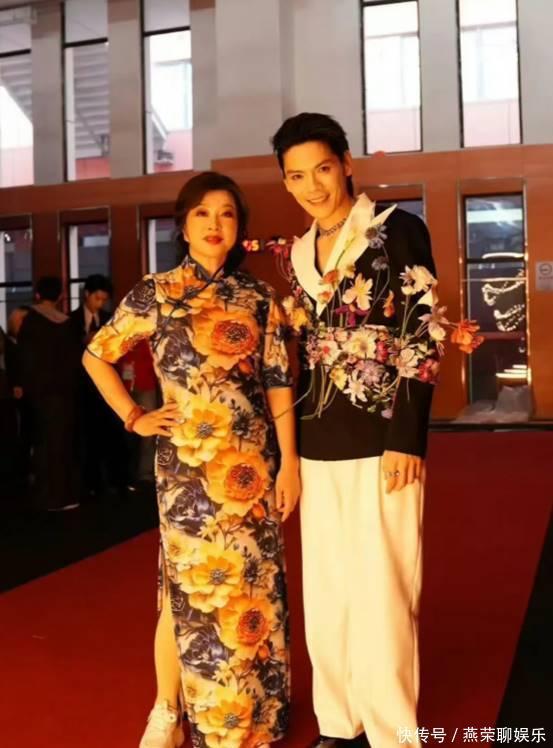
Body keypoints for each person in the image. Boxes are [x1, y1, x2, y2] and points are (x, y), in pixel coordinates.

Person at [83, 172, 301, 748]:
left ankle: (253, 713)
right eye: (202, 213)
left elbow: (278, 381)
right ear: (183, 225)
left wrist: (290, 462)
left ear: (238, 227)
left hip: (253, 462)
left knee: (251, 585)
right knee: (190, 590)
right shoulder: (156, 292)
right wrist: (134, 415)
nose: (214, 224)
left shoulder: (258, 297)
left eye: (226, 213)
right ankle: (169, 712)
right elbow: (96, 355)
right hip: (187, 468)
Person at [271, 112, 441, 748]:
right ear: (286, 183)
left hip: (380, 439)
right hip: (317, 444)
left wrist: (408, 436)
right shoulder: (296, 253)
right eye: (296, 176)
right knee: (328, 590)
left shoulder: (397, 229)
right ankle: (339, 725)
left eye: (321, 168)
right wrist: (288, 455)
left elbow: (424, 330)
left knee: (384, 588)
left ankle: (393, 733)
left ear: (346, 163)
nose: (312, 186)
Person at [18, 277, 81, 512]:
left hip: (39, 394)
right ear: (60, 296)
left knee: (43, 443)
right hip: (64, 394)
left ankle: (45, 496)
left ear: (37, 295)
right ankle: (62, 495)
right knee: (62, 444)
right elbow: (74, 362)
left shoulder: (31, 322)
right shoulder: (66, 324)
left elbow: (25, 360)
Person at [70, 274, 129, 499]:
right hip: (82, 387)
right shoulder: (71, 320)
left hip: (106, 385)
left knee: (112, 434)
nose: (100, 303)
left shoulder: (108, 319)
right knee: (87, 436)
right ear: (86, 294)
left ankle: (117, 480)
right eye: (97, 298)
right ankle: (91, 484)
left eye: (104, 300)